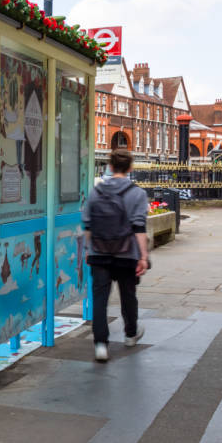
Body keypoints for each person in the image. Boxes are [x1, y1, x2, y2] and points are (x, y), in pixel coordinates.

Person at [82, 149, 149, 362]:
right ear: (130, 168)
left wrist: (87, 250)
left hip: (99, 253)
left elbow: (88, 225)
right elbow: (139, 227)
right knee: (128, 295)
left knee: (100, 300)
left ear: (109, 167)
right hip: (126, 253)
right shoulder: (137, 193)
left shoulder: (96, 191)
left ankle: (101, 345)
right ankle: (130, 335)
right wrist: (143, 257)